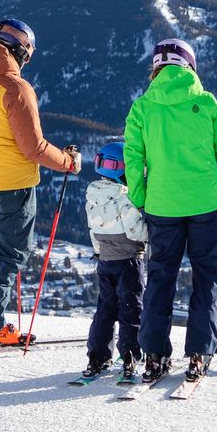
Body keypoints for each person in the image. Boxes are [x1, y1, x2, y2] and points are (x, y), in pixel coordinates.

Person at [0, 17, 81, 348]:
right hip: (15, 186)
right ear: (21, 52)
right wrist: (68, 162)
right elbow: (33, 148)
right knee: (8, 256)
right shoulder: (16, 88)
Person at [126, 38, 217, 385]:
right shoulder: (207, 103)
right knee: (208, 274)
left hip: (162, 205)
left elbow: (133, 157)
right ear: (190, 65)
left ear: (156, 68)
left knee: (161, 276)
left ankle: (154, 354)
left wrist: (141, 196)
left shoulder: (143, 107)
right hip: (207, 202)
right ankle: (199, 352)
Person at [79, 140, 146, 381]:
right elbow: (136, 231)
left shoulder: (93, 195)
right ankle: (130, 355)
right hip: (128, 260)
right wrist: (151, 235)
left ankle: (97, 356)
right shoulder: (123, 196)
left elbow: (93, 229)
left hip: (105, 260)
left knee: (105, 308)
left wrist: (100, 252)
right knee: (130, 309)